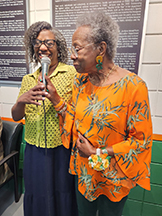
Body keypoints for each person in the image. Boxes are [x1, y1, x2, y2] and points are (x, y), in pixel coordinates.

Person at [30, 12, 152, 216]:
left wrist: (98, 152)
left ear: (101, 49)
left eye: (77, 48)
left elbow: (141, 141)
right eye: (72, 49)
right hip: (84, 172)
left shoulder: (133, 87)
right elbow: (73, 119)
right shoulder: (81, 82)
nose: (72, 55)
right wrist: (56, 100)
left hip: (113, 177)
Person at [11, 21, 78, 216]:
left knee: (61, 192)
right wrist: (22, 101)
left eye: (49, 43)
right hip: (33, 148)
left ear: (59, 47)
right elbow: (16, 116)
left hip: (61, 148)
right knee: (37, 193)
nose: (43, 47)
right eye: (38, 43)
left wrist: (57, 100)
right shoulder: (28, 80)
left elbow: (78, 116)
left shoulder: (72, 74)